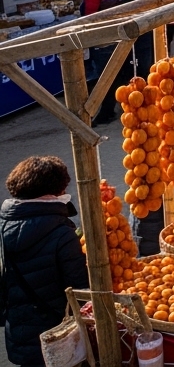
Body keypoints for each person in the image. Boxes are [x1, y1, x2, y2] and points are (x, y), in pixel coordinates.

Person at [1, 156, 90, 367]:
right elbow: (80, 289)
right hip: (59, 336)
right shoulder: (61, 233)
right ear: (54, 191)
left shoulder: (3, 227)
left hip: (21, 337)